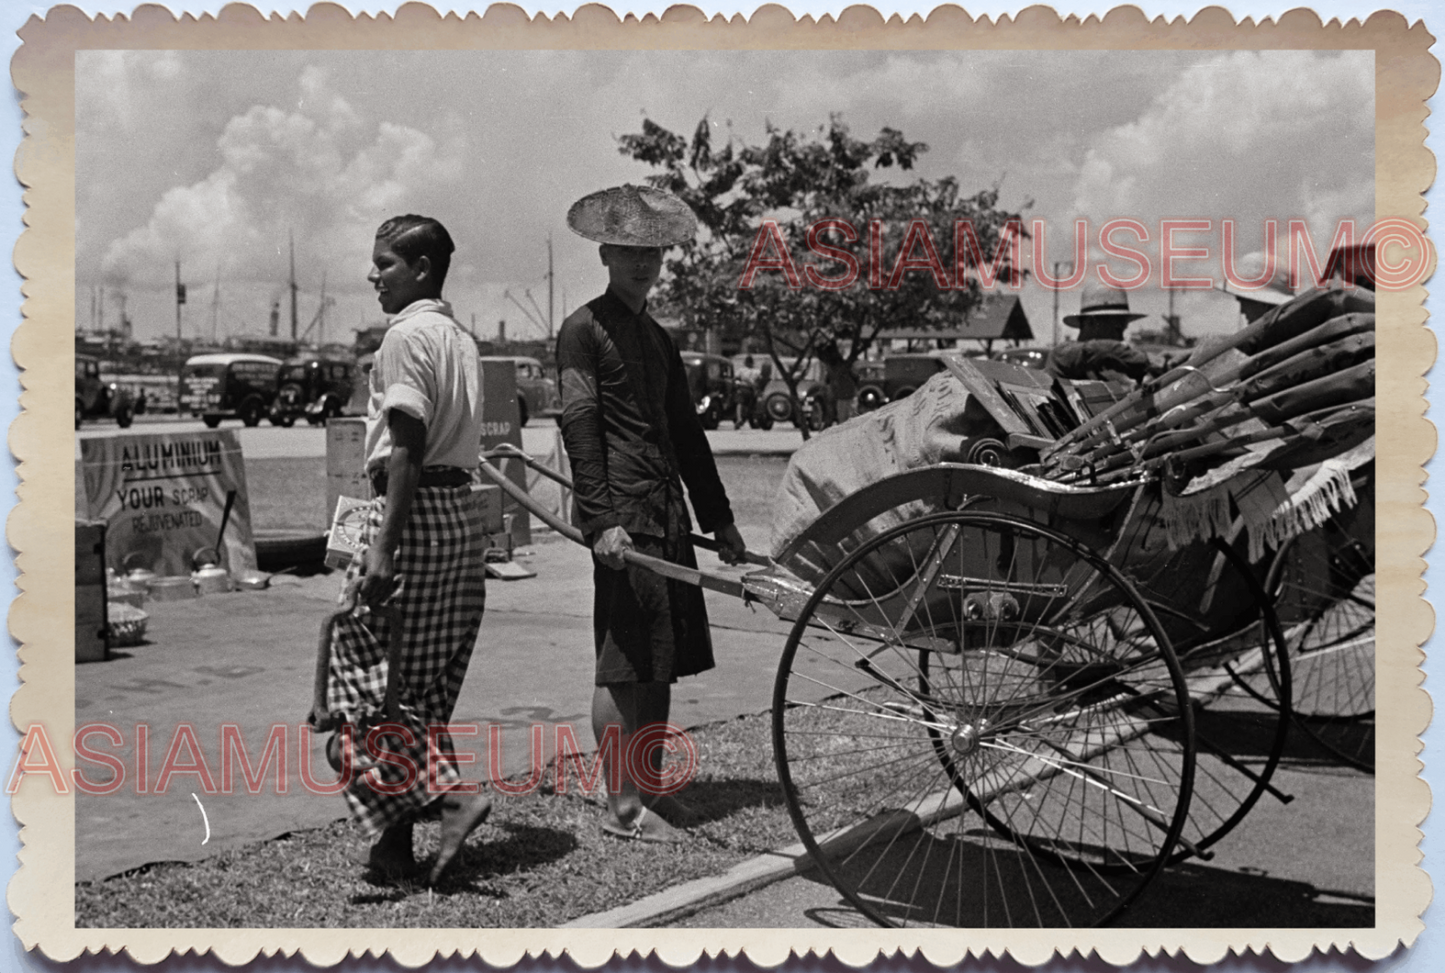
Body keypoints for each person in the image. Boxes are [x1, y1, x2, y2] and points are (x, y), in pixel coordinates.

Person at [556, 184, 747, 843]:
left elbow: (686, 436)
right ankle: (623, 807)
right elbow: (579, 429)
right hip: (622, 518)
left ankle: (653, 788)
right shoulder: (583, 331)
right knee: (622, 661)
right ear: (606, 253)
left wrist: (719, 519)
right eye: (630, 251)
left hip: (664, 512)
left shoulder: (659, 340)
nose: (643, 263)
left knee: (660, 661)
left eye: (654, 252)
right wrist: (600, 521)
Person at [326, 215, 492, 884]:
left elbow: (405, 446)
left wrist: (383, 547)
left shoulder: (403, 339)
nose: (373, 275)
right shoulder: (459, 337)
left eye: (385, 264)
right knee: (416, 690)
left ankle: (450, 796)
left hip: (411, 515)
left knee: (357, 690)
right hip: (458, 518)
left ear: (421, 269)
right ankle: (392, 851)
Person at [1045, 280, 1152, 384]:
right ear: (1092, 322)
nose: (1120, 338)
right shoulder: (1062, 355)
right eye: (1116, 329)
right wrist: (1148, 360)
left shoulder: (1100, 368)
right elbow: (1099, 349)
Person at [817, 341, 858, 425]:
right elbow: (855, 377)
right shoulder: (839, 366)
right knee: (845, 418)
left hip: (844, 395)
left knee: (844, 418)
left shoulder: (836, 366)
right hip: (844, 395)